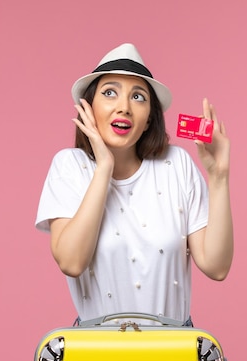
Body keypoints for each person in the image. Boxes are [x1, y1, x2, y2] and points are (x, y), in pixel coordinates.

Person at [35, 43, 233, 325]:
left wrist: (219, 176)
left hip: (174, 352)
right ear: (88, 107)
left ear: (149, 117)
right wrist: (104, 167)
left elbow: (217, 266)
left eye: (138, 97)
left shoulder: (177, 164)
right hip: (96, 353)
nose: (124, 107)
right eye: (109, 93)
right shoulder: (69, 166)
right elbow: (71, 262)